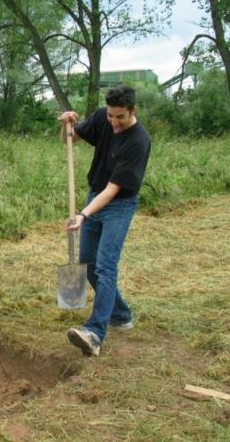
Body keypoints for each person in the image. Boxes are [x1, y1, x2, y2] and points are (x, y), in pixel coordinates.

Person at [58, 85, 151, 357]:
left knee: (106, 267)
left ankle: (95, 333)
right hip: (94, 196)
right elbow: (70, 140)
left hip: (119, 205)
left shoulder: (139, 141)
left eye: (120, 117)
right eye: (111, 116)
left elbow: (113, 190)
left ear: (132, 111)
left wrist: (83, 214)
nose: (114, 122)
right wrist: (67, 124)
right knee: (87, 264)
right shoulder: (102, 117)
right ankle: (120, 315)